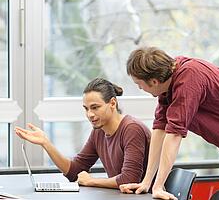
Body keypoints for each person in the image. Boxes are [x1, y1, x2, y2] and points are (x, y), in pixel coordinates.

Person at [119, 47, 219, 200]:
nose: (140, 88)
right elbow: (160, 128)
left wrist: (158, 186)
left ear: (154, 81)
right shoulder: (170, 83)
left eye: (139, 84)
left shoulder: (189, 77)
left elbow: (174, 135)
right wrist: (147, 182)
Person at [15, 78, 150, 189]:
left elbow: (130, 179)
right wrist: (46, 143)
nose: (90, 114)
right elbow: (75, 171)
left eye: (95, 107)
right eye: (86, 109)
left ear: (113, 103)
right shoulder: (99, 132)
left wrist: (91, 181)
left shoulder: (132, 129)